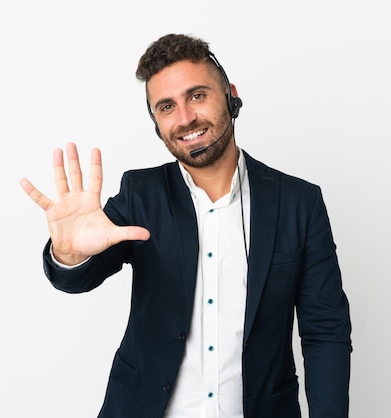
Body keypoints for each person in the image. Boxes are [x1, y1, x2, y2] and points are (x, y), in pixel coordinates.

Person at [20, 33, 352, 418]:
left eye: (197, 95)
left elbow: (325, 331)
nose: (185, 118)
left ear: (231, 95)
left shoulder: (298, 203)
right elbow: (76, 278)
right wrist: (69, 254)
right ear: (156, 122)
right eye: (166, 106)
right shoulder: (141, 194)